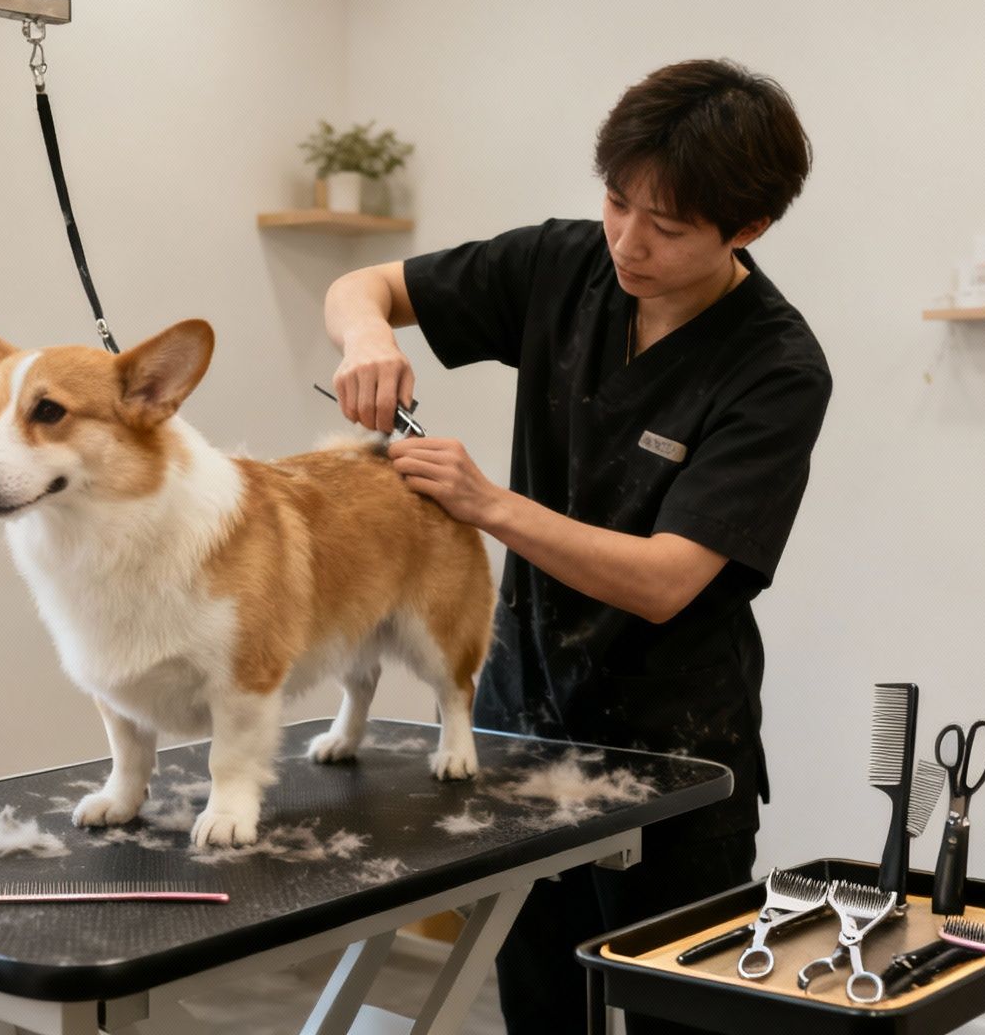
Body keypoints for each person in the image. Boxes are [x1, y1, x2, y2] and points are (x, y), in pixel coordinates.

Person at [322, 58, 831, 1033]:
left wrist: (486, 504)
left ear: (748, 229)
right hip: (523, 737)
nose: (627, 243)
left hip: (676, 764)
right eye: (614, 202)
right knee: (540, 1011)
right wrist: (365, 342)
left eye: (667, 227)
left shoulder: (773, 368)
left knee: (676, 1020)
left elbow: (666, 581)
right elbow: (361, 286)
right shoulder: (561, 266)